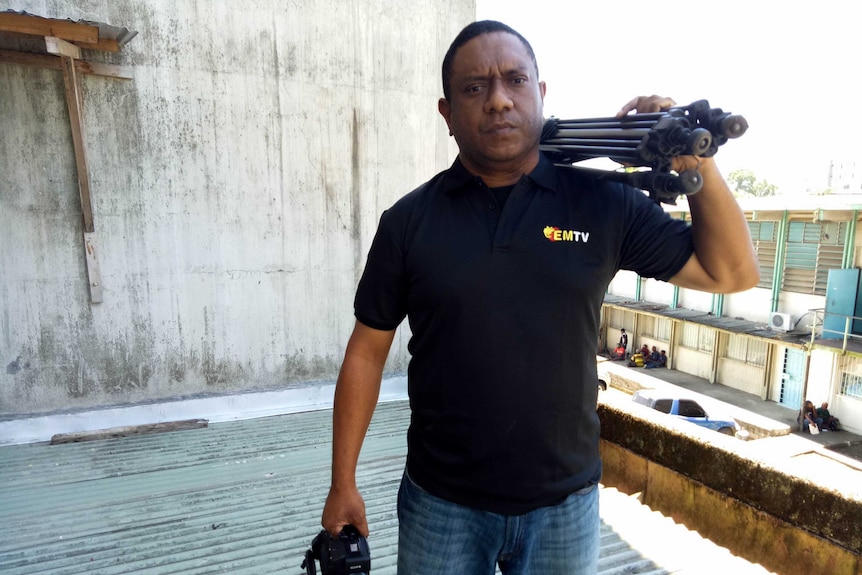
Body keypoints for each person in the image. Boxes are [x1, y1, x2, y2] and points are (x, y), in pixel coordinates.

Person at [321, 20, 759, 574]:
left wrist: (697, 160)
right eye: (475, 88)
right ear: (447, 112)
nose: (498, 100)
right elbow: (366, 352)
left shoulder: (603, 203)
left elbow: (731, 274)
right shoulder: (409, 221)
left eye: (515, 80)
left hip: (565, 506)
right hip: (442, 504)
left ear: (541, 93)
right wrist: (343, 483)